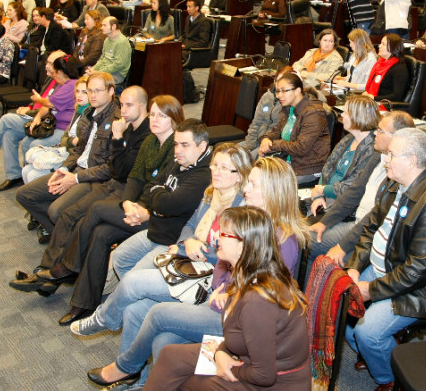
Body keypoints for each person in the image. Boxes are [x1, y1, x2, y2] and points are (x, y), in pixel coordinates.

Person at [76, 156, 307, 388]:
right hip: (219, 298)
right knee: (141, 315)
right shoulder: (249, 218)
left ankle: (125, 368)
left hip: (238, 319)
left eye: (253, 184)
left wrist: (226, 293)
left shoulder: (283, 240)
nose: (245, 188)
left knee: (156, 314)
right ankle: (139, 380)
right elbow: (222, 266)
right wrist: (223, 286)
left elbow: (265, 297)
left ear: (274, 191)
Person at [33, 118, 212, 325]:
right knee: (101, 233)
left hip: (163, 230)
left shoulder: (201, 174)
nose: (178, 150)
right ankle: (84, 302)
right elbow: (148, 185)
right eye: (176, 144)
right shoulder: (171, 154)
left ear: (202, 146)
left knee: (97, 209)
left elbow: (168, 204)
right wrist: (141, 201)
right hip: (150, 218)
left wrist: (153, 203)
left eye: (184, 145)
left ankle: (67, 269)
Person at [10, 94, 183, 284]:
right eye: (122, 104)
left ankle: (59, 272)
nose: (123, 110)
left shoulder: (146, 136)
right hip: (109, 182)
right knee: (67, 214)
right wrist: (68, 168)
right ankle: (48, 271)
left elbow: (124, 173)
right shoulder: (127, 128)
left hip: (119, 189)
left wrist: (117, 138)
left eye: (129, 105)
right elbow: (93, 155)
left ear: (142, 107)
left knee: (81, 216)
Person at [143, 206, 310, 391]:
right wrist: (221, 353)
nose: (217, 238)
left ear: (243, 245)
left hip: (276, 384)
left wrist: (225, 366)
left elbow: (264, 375)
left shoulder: (257, 300)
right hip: (244, 360)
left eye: (225, 234)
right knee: (170, 356)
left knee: (189, 384)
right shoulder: (247, 274)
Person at [344, 127, 426, 389]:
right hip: (383, 268)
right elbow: (370, 228)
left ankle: (389, 379)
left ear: (412, 161)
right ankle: (374, 353)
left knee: (366, 330)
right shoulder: (395, 184)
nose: (385, 159)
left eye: (391, 155)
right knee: (344, 301)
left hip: (420, 288)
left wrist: (370, 289)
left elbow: (417, 271)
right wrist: (354, 267)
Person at [13, 84, 150, 246]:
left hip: (96, 178)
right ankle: (61, 236)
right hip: (81, 169)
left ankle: (64, 241)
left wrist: (76, 177)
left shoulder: (118, 122)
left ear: (111, 92)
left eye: (96, 90)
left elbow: (112, 169)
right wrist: (64, 168)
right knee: (24, 194)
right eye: (88, 91)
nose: (91, 95)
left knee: (59, 212)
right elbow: (75, 147)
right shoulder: (86, 113)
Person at [0, 52, 77, 191]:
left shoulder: (70, 84)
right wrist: (36, 115)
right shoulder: (59, 82)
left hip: (56, 126)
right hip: (44, 120)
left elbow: (48, 103)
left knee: (7, 120)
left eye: (51, 65)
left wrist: (35, 105)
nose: (48, 69)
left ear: (60, 71)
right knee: (9, 133)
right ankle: (14, 175)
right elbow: (46, 107)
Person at [321, 111, 416, 269]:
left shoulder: (398, 172)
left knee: (308, 242)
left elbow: (375, 219)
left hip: (365, 236)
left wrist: (343, 246)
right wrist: (325, 222)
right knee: (306, 239)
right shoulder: (378, 155)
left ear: (396, 137)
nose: (374, 134)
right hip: (356, 225)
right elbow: (354, 191)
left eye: (380, 131)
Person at [305, 95, 379, 263]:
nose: (342, 115)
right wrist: (319, 194)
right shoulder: (348, 139)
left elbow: (351, 188)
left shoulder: (372, 149)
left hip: (345, 209)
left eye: (346, 112)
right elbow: (327, 169)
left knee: (304, 239)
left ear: (358, 117)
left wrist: (322, 190)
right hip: (324, 198)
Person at [258, 71, 331, 184]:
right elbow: (276, 131)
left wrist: (273, 145)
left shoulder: (313, 112)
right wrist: (266, 139)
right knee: (255, 174)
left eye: (284, 91)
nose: (279, 96)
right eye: (278, 91)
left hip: (307, 168)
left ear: (297, 90)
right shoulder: (288, 107)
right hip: (288, 161)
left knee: (268, 185)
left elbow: (301, 148)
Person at [21, 75, 91, 183]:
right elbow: (65, 139)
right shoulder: (78, 110)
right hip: (66, 150)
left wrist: (70, 141)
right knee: (26, 170)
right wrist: (71, 140)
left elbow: (82, 145)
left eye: (84, 92)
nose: (79, 95)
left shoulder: (91, 114)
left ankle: (43, 196)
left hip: (74, 158)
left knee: (32, 175)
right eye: (77, 91)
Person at [243, 66, 293, 153]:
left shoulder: (289, 103)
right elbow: (256, 123)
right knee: (233, 153)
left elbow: (279, 133)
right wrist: (249, 146)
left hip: (271, 144)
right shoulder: (267, 96)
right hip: (257, 139)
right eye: (276, 80)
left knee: (245, 160)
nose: (277, 85)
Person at [364, 33, 409, 103]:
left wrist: (373, 98)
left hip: (385, 106)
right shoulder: (380, 63)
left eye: (383, 44)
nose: (379, 46)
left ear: (392, 48)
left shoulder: (399, 69)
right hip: (373, 102)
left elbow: (397, 96)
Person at [90, 16, 132, 85]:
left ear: (114, 26)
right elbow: (103, 58)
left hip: (116, 75)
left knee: (92, 81)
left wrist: (98, 72)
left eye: (105, 25)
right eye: (102, 25)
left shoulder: (122, 42)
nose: (101, 28)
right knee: (85, 77)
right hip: (105, 71)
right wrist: (94, 69)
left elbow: (118, 65)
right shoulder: (107, 40)